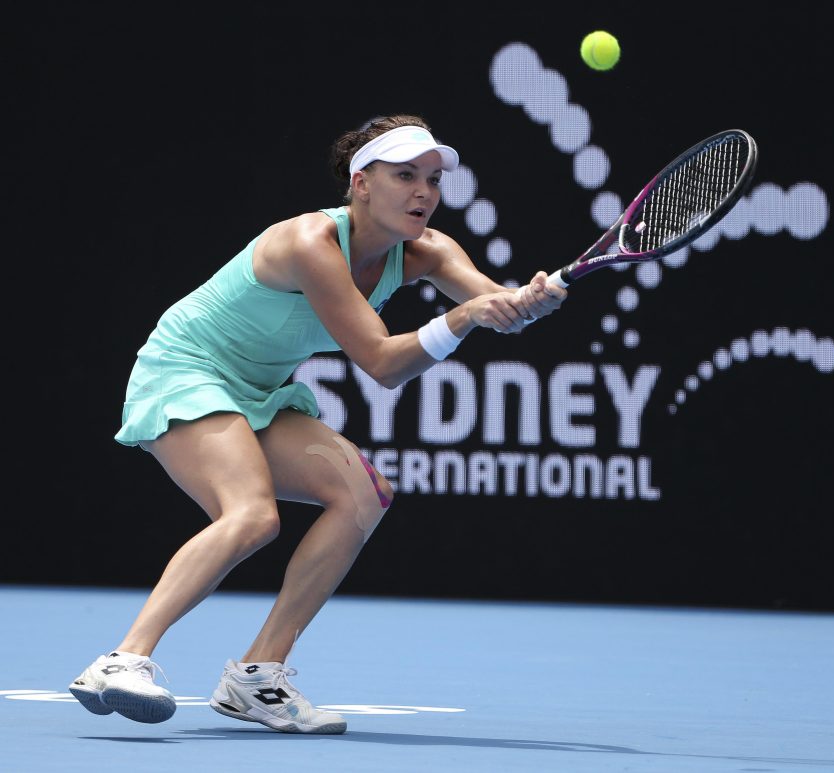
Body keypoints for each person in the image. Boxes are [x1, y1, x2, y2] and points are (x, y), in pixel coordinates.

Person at [68, 114, 566, 734]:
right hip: (186, 372)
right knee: (252, 517)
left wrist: (528, 302)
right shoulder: (308, 243)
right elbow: (383, 363)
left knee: (365, 494)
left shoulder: (430, 251)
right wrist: (466, 318)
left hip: (259, 388)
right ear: (360, 183)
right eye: (405, 175)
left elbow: (497, 306)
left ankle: (257, 677)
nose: (424, 193)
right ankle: (121, 660)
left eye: (433, 180)